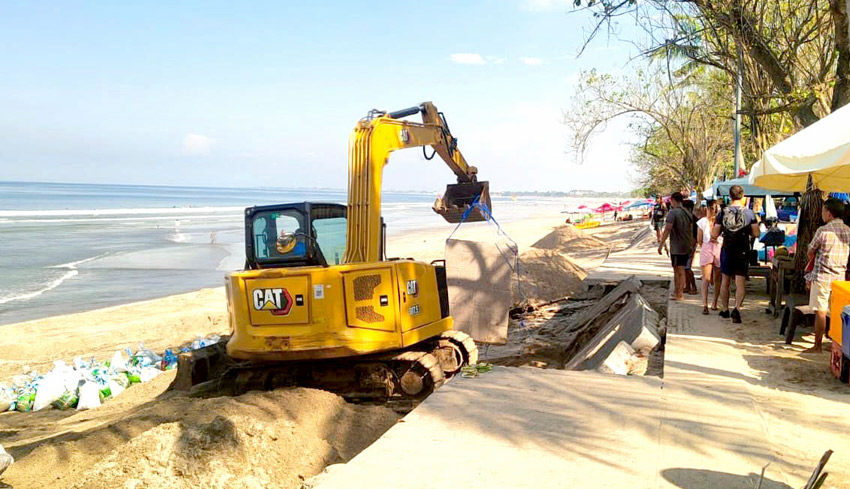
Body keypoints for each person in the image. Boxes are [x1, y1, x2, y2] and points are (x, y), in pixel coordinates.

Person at [803, 198, 850, 353]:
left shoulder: (823, 231)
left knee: (820, 311)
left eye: (823, 211)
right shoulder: (848, 230)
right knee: (837, 312)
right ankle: (835, 345)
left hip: (822, 276)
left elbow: (811, 250)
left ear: (829, 213)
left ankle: (817, 345)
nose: (822, 214)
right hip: (840, 277)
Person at [711, 185, 759, 323]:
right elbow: (756, 233)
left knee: (725, 280)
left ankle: (725, 309)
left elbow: (714, 234)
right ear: (743, 196)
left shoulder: (723, 212)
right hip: (743, 250)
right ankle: (737, 309)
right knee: (740, 282)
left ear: (730, 196)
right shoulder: (749, 213)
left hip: (727, 249)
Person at [658, 192, 695, 300]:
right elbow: (691, 229)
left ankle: (679, 293)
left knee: (678, 270)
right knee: (682, 269)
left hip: (677, 246)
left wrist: (661, 245)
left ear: (673, 200)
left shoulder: (673, 213)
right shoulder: (688, 213)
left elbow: (667, 229)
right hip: (686, 245)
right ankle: (678, 292)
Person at [696, 202, 722, 314]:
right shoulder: (721, 222)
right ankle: (714, 303)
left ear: (707, 208)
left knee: (705, 279)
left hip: (707, 248)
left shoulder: (702, 222)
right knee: (717, 279)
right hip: (719, 248)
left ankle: (705, 305)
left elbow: (699, 239)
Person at [682, 199, 699, 295]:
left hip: (690, 246)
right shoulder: (690, 218)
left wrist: (691, 247)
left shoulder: (692, 219)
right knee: (685, 268)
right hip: (687, 245)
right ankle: (687, 286)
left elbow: (694, 236)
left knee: (687, 268)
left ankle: (694, 287)